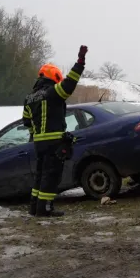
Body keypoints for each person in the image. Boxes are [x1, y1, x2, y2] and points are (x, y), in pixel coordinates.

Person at [23, 46, 87, 217]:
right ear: (54, 77)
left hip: (38, 144)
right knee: (51, 176)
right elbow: (70, 83)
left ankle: (35, 207)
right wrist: (80, 62)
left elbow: (26, 122)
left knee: (40, 175)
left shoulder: (29, 98)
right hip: (53, 143)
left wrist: (36, 135)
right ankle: (45, 209)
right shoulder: (53, 92)